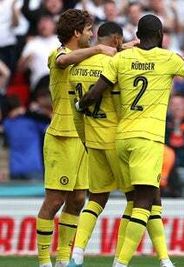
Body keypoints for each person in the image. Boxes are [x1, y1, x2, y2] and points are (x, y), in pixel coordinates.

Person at [75, 14, 184, 267]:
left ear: (137, 36)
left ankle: (164, 260)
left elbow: (96, 91)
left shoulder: (122, 58)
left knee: (153, 198)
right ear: (160, 36)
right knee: (143, 202)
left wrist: (80, 105)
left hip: (122, 138)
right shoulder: (169, 58)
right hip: (148, 139)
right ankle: (121, 263)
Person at [67, 21, 175, 267]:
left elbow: (78, 112)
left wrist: (85, 140)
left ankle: (77, 254)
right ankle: (124, 259)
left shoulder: (78, 66)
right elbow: (121, 105)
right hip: (119, 138)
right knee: (140, 200)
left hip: (92, 140)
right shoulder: (115, 63)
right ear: (116, 40)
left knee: (95, 199)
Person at [36, 9, 116, 267]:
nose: (92, 35)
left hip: (83, 136)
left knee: (78, 199)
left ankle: (62, 259)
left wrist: (124, 46)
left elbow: (102, 51)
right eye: (89, 30)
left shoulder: (83, 57)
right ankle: (43, 261)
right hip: (61, 136)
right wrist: (97, 50)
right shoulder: (58, 54)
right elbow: (63, 61)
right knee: (55, 200)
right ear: (76, 33)